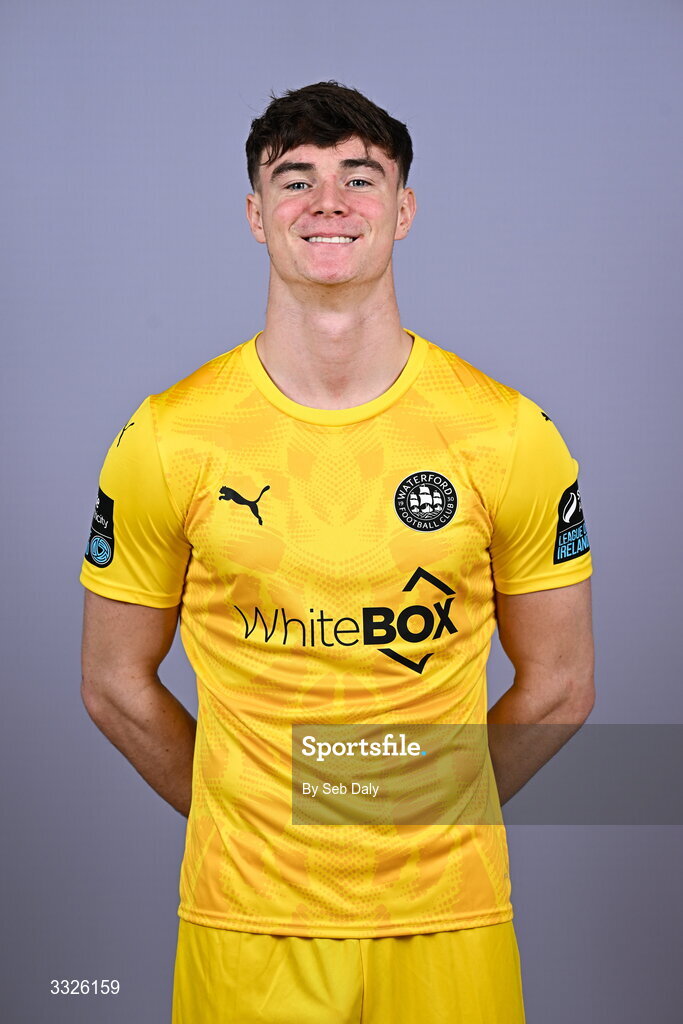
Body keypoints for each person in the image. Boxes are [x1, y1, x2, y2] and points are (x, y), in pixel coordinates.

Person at [80, 81, 594, 1023]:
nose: (328, 203)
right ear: (254, 214)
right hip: (245, 926)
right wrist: (250, 815)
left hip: (448, 920)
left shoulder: (507, 435)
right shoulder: (168, 438)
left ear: (402, 210)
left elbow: (559, 685)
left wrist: (431, 803)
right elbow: (114, 683)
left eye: (360, 178)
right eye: (295, 180)